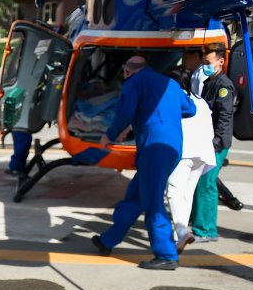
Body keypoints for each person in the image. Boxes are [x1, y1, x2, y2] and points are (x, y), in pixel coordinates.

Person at [91, 56, 195, 270]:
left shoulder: (134, 82)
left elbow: (126, 111)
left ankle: (166, 254)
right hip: (173, 146)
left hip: (154, 146)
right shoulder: (170, 83)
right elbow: (190, 109)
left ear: (127, 72)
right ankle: (108, 240)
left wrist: (110, 134)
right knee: (136, 195)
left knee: (152, 202)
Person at [183, 43, 234, 243]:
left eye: (208, 62)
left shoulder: (223, 86)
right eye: (203, 62)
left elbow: (224, 117)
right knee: (199, 182)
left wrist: (216, 143)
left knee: (206, 183)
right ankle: (199, 224)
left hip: (216, 143)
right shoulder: (207, 82)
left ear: (220, 61)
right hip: (205, 140)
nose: (205, 66)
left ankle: (206, 230)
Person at [165, 77, 214, 252]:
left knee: (174, 192)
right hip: (202, 153)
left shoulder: (173, 98)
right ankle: (180, 235)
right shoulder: (201, 101)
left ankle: (181, 233)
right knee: (187, 195)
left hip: (184, 152)